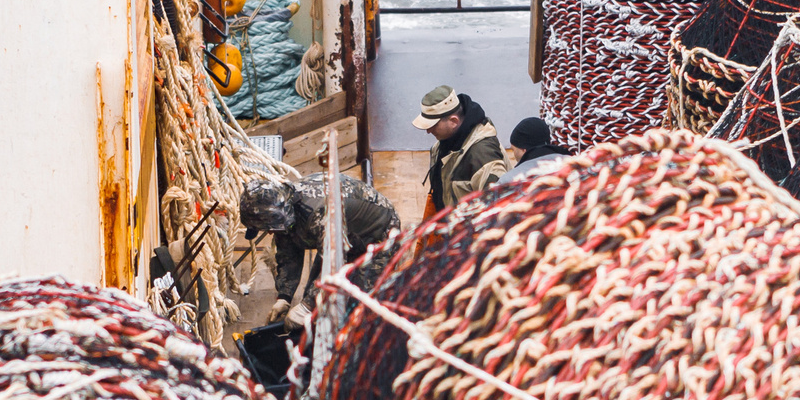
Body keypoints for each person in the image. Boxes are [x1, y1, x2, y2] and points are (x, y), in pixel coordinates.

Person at [238, 174, 402, 302]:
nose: (269, 234)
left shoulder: (318, 213)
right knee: (313, 294)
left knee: (358, 302)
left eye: (269, 229)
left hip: (379, 237)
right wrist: (284, 296)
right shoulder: (286, 205)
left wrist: (307, 307)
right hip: (342, 236)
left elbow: (333, 266)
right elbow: (289, 251)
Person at [414, 85, 506, 214]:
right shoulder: (441, 145)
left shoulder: (483, 157)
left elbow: (499, 208)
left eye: (433, 125)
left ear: (453, 121)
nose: (428, 131)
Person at [502, 117, 576, 183]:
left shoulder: (508, 181)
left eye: (513, 150)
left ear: (524, 150)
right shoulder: (576, 167)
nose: (514, 155)